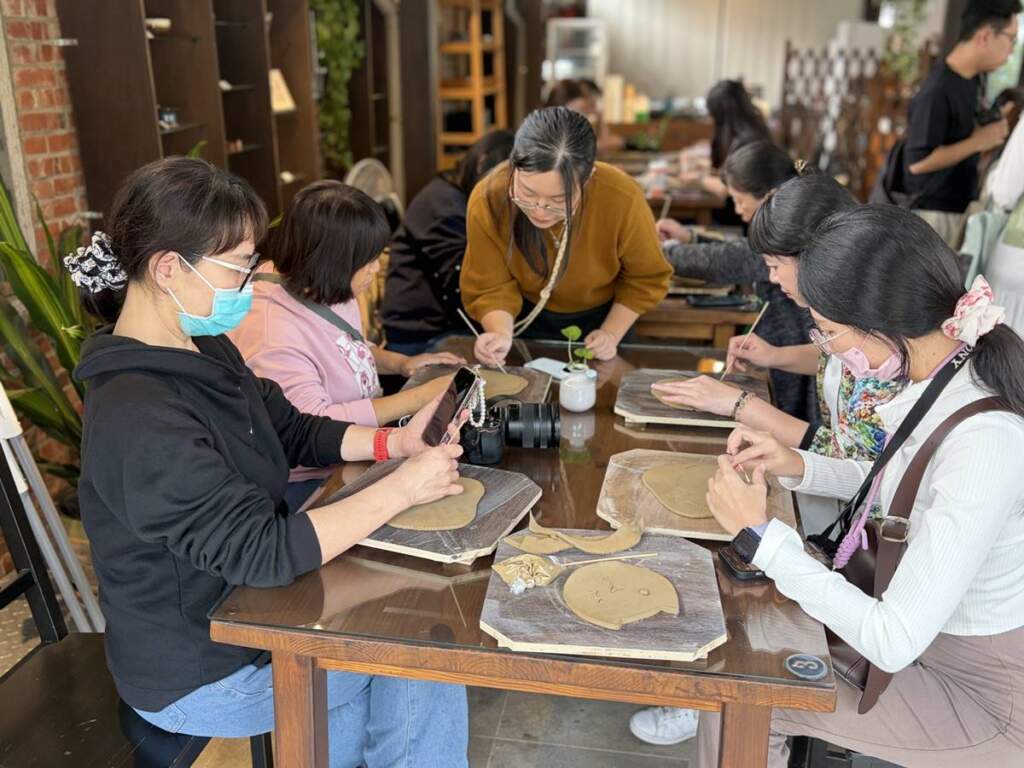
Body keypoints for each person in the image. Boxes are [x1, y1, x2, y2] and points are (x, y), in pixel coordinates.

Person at [67, 157, 470, 765]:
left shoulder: (202, 345)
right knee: (418, 646)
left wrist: (395, 446)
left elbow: (290, 427)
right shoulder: (138, 415)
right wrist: (402, 489)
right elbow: (263, 551)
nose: (253, 281)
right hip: (205, 671)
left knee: (395, 635)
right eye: (238, 265)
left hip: (255, 615)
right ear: (169, 268)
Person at [696, 205, 1024, 767]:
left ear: (880, 323)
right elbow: (902, 489)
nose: (827, 350)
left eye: (828, 333)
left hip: (978, 691)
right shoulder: (942, 375)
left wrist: (761, 537)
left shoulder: (985, 441)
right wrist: (796, 464)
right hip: (920, 642)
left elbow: (894, 638)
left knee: (743, 696)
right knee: (740, 657)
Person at [630, 174, 906, 748]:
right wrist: (776, 356)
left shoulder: (883, 344)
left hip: (851, 535)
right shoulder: (851, 323)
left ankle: (721, 683)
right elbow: (832, 368)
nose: (772, 278)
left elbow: (858, 466)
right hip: (833, 501)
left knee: (733, 562)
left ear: (821, 255)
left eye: (777, 265)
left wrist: (739, 405)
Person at [230, 180, 467, 512]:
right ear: (333, 261)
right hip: (312, 481)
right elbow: (313, 426)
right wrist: (419, 396)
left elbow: (345, 345)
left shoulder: (324, 286)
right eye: (367, 261)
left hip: (358, 452)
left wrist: (400, 363)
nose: (377, 268)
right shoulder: (272, 330)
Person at [461, 106, 672, 365]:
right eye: (527, 193)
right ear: (513, 164)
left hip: (606, 318)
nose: (539, 210)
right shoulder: (489, 197)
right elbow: (489, 285)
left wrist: (610, 334)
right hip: (521, 319)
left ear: (588, 177)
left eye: (558, 199)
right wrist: (499, 334)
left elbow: (646, 277)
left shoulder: (622, 197)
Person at [655, 140, 817, 423]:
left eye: (740, 200)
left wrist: (659, 252)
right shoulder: (798, 211)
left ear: (770, 195)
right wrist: (691, 238)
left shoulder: (793, 228)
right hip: (795, 355)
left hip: (801, 363)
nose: (738, 209)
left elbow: (732, 260)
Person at [382, 130, 514, 355]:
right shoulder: (443, 205)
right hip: (421, 336)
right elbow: (465, 281)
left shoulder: (452, 194)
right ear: (482, 164)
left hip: (442, 326)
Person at [903, 0, 1020, 247]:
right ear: (985, 36)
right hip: (932, 214)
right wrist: (979, 141)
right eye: (1011, 39)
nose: (1012, 50)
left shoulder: (974, 79)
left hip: (955, 209)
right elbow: (917, 163)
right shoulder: (937, 91)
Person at [679, 79, 771, 205]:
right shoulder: (751, 130)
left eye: (715, 116)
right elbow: (731, 172)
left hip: (740, 212)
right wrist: (704, 167)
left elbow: (727, 189)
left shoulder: (747, 141)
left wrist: (699, 179)